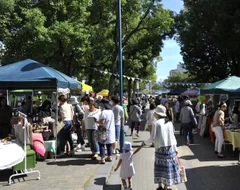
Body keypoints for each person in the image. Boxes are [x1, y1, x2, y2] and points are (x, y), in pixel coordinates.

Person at [141, 105, 181, 190]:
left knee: (159, 168)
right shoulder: (169, 123)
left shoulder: (156, 123)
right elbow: (173, 137)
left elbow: (152, 138)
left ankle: (159, 186)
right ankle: (167, 186)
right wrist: (176, 148)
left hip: (160, 149)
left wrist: (144, 143)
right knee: (167, 169)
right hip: (170, 149)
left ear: (157, 114)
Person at [96, 98, 115, 164]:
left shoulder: (104, 112)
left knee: (101, 144)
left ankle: (102, 158)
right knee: (109, 144)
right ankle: (110, 157)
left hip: (103, 131)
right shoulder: (111, 111)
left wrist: (96, 121)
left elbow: (102, 122)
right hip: (110, 130)